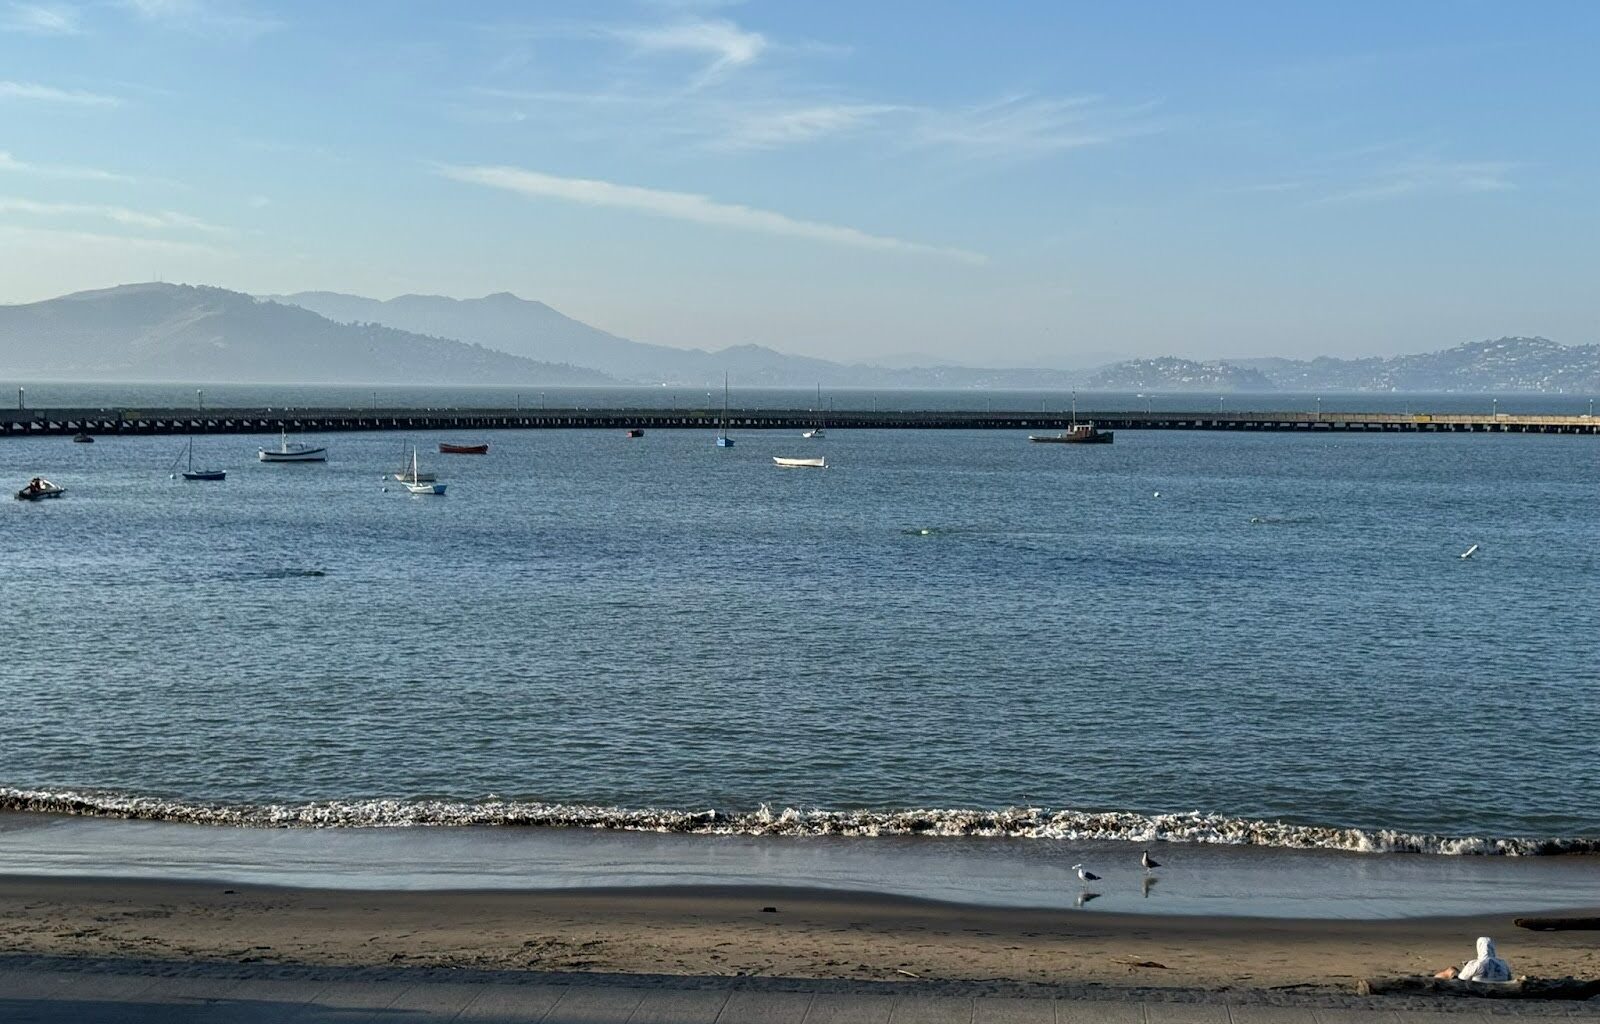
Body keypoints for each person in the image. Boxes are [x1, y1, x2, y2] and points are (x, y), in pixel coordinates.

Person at [1435, 937, 1513, 982]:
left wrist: (1469, 966)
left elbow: (1462, 978)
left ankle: (1434, 978)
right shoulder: (1503, 963)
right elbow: (1510, 979)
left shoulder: (1477, 964)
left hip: (1478, 987)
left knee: (1452, 970)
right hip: (1499, 985)